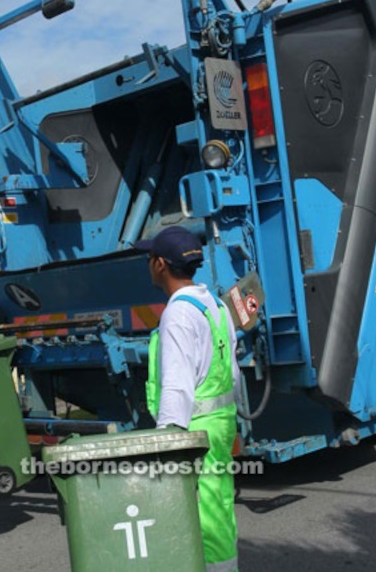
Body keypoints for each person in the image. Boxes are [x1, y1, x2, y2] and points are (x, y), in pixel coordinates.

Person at [134, 226, 240, 572]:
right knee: (217, 504)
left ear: (160, 264)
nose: (148, 264)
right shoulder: (216, 305)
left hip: (195, 432)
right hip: (220, 423)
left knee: (202, 514)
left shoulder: (178, 313)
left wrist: (167, 443)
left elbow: (178, 385)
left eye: (150, 258)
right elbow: (232, 371)